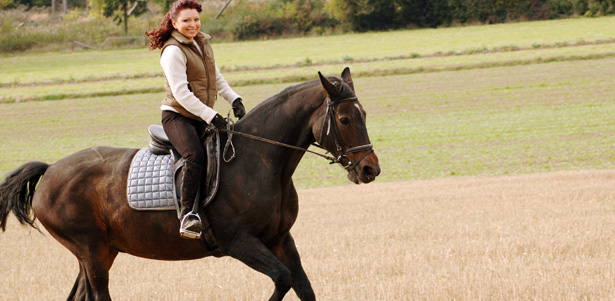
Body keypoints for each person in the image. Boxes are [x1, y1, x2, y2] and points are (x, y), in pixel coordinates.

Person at [146, 0, 245, 239]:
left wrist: (234, 99)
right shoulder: (172, 51)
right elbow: (181, 93)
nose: (193, 24)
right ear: (174, 23)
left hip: (200, 115)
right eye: (186, 21)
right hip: (178, 117)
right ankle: (188, 215)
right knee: (194, 155)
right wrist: (212, 116)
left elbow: (216, 76)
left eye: (196, 19)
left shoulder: (201, 43)